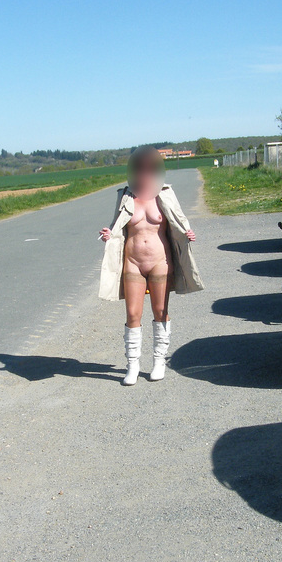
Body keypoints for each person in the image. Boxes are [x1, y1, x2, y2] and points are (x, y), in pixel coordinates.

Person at [99, 146, 204, 385]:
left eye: (150, 170)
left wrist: (188, 233)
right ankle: (133, 366)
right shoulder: (125, 196)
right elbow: (117, 226)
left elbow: (179, 221)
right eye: (141, 170)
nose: (145, 175)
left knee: (160, 312)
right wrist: (109, 234)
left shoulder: (165, 194)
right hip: (133, 263)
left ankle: (159, 361)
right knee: (132, 314)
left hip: (160, 262)